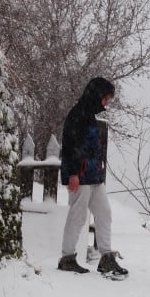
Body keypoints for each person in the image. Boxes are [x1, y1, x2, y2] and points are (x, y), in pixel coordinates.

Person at [58, 77, 128, 276]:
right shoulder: (77, 115)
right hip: (79, 175)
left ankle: (106, 258)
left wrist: (97, 172)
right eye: (106, 98)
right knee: (77, 216)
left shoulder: (89, 116)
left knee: (104, 213)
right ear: (96, 95)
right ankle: (67, 258)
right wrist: (72, 174)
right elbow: (69, 147)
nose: (106, 103)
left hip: (94, 176)